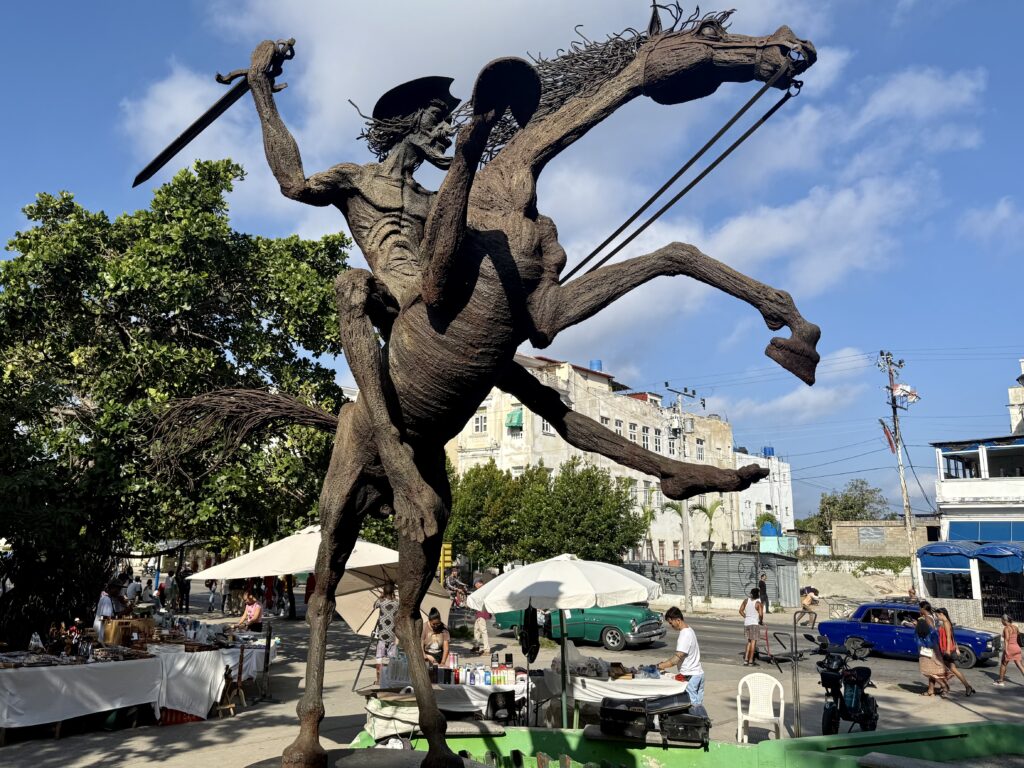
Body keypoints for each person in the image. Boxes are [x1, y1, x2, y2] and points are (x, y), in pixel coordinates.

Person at [657, 607, 705, 705]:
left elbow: (675, 660)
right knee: (698, 705)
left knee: (692, 706)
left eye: (671, 623)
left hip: (690, 676)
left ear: (678, 620)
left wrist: (659, 666)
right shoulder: (689, 629)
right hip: (698, 673)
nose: (671, 626)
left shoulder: (684, 635)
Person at [934, 606, 974, 696]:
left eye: (937, 615)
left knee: (942, 669)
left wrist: (948, 650)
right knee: (951, 669)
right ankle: (967, 687)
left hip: (946, 650)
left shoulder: (946, 623)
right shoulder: (945, 623)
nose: (937, 617)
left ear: (942, 614)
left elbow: (949, 638)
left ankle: (945, 687)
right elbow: (952, 637)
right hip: (945, 649)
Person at [373, 581, 400, 684]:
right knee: (392, 659)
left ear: (384, 592)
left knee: (379, 657)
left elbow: (374, 606)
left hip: (382, 635)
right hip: (393, 635)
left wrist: (381, 596)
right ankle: (391, 679)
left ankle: (379, 680)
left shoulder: (381, 602)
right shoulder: (397, 603)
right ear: (393, 592)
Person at [916, 616, 950, 697]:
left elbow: (918, 639)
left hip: (926, 652)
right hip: (933, 650)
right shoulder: (933, 628)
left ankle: (944, 685)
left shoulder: (924, 624)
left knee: (928, 672)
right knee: (932, 671)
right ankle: (931, 690)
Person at [996, 613, 1024, 686]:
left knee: (1003, 664)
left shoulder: (1006, 628)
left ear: (1005, 620)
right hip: (1017, 648)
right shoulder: (1015, 627)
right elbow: (1017, 636)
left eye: (1002, 620)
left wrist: (1006, 651)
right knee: (1020, 665)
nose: (1001, 622)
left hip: (1010, 648)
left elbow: (1007, 640)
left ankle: (1001, 681)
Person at [740, 588, 764, 667]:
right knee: (753, 642)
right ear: (758, 594)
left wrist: (746, 617)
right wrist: (760, 621)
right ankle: (751, 661)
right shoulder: (758, 603)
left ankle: (746, 660)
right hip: (754, 624)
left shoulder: (746, 600)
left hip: (747, 623)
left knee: (749, 641)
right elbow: (760, 614)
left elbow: (740, 610)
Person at [471, 579, 491, 656]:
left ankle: (486, 649)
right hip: (479, 613)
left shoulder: (483, 590)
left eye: (477, 584)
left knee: (483, 631)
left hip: (482, 613)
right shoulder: (481, 590)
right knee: (476, 630)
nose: (476, 586)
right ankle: (476, 646)